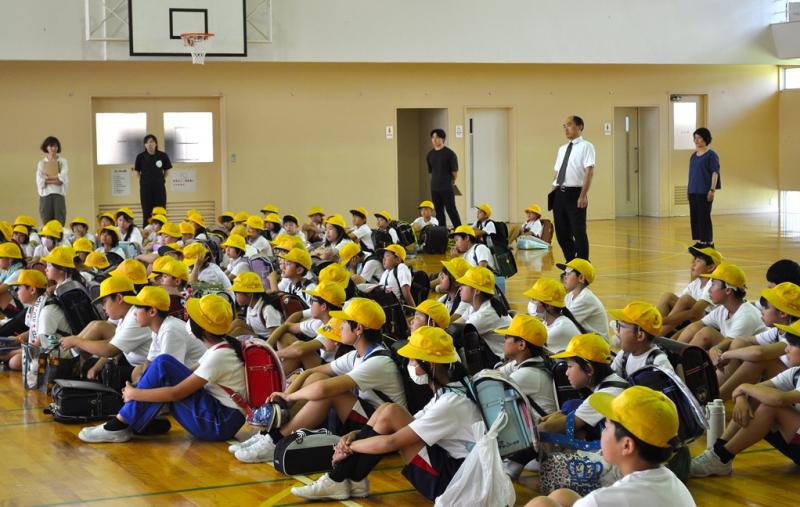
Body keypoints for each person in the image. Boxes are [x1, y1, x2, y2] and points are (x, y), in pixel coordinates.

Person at [290, 326, 480, 502]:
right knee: (389, 410)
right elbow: (412, 423)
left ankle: (338, 479)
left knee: (391, 412)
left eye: (413, 359)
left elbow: (392, 442)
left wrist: (349, 447)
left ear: (429, 364)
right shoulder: (450, 391)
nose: (409, 364)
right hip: (450, 466)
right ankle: (348, 479)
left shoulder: (450, 403)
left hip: (452, 482)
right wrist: (353, 436)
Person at [231, 298, 406, 464]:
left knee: (331, 393)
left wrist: (291, 397)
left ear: (358, 329)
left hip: (384, 431)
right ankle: (270, 434)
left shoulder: (378, 362)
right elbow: (312, 372)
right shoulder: (357, 355)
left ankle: (276, 440)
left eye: (345, 322)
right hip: (368, 419)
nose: (340, 326)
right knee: (317, 377)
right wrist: (286, 395)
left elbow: (323, 389)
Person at [77, 294, 247, 443]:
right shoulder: (219, 348)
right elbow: (180, 373)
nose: (188, 320)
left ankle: (119, 425)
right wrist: (141, 388)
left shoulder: (218, 355)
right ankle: (134, 421)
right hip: (218, 415)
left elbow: (176, 393)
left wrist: (134, 394)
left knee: (163, 363)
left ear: (201, 327)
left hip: (218, 423)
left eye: (192, 318)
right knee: (163, 363)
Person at [528, 386, 696, 507]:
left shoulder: (600, 501)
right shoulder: (673, 481)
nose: (602, 433)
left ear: (627, 445)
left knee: (540, 503)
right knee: (562, 495)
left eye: (607, 427)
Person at [690, 319, 800, 477]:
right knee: (760, 395)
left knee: (769, 405)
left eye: (792, 345)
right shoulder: (794, 372)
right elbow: (757, 390)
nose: (786, 349)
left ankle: (721, 456)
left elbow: (780, 400)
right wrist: (742, 395)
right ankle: (717, 452)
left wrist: (744, 387)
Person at [538, 333, 627, 438]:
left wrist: (543, 424)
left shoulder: (601, 397)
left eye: (570, 366)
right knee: (571, 405)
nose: (566, 373)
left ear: (589, 369)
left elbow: (547, 429)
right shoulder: (615, 381)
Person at [550, 116, 594, 261]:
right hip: (559, 194)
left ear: (580, 127)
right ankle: (571, 263)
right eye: (564, 126)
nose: (566, 129)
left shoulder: (586, 146)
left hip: (575, 193)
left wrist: (583, 195)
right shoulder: (562, 149)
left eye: (569, 125)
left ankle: (582, 265)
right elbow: (557, 172)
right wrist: (553, 191)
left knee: (578, 231)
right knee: (562, 234)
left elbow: (589, 171)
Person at [656, 246, 721, 336]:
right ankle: (653, 328)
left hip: (710, 325)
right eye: (694, 261)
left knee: (686, 300)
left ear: (710, 267)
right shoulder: (696, 283)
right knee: (668, 297)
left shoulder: (712, 284)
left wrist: (663, 321)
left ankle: (656, 335)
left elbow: (694, 312)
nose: (693, 264)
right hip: (695, 319)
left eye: (698, 261)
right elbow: (679, 306)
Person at [608, 301, 674, 379]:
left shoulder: (659, 363)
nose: (617, 331)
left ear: (640, 335)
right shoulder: (623, 355)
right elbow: (610, 380)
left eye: (621, 326)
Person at [524, 278, 582, 352]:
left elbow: (528, 348)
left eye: (534, 299)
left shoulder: (560, 327)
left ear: (548, 306)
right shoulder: (547, 323)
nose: (531, 303)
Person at [687, 127, 720, 248]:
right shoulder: (693, 156)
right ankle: (700, 241)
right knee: (695, 217)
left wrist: (712, 190)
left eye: (699, 138)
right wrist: (688, 190)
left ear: (705, 139)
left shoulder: (711, 155)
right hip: (693, 191)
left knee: (704, 217)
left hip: (704, 192)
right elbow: (691, 174)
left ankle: (708, 242)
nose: (696, 140)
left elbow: (715, 173)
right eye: (695, 138)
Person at [133, 134, 172, 224]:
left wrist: (162, 179)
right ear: (145, 145)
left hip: (159, 188)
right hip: (145, 189)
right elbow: (136, 171)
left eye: (151, 142)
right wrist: (143, 180)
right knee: (147, 211)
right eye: (147, 142)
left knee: (160, 210)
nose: (149, 144)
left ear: (156, 143)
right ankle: (147, 230)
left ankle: (162, 230)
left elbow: (167, 170)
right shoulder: (140, 157)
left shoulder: (162, 155)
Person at [426, 129, 461, 229]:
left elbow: (454, 172)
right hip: (434, 188)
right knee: (439, 211)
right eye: (433, 137)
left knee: (451, 209)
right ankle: (442, 232)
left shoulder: (450, 154)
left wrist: (450, 182)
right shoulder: (430, 154)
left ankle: (459, 230)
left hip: (447, 187)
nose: (434, 139)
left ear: (443, 139)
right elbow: (432, 171)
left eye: (437, 137)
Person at [36, 136, 69, 224]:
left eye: (55, 146)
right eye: (51, 146)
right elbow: (40, 180)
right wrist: (56, 178)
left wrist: (47, 179)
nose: (53, 148)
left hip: (58, 193)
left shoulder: (63, 161)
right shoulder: (41, 163)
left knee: (59, 221)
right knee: (46, 221)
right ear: (46, 147)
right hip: (45, 195)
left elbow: (62, 178)